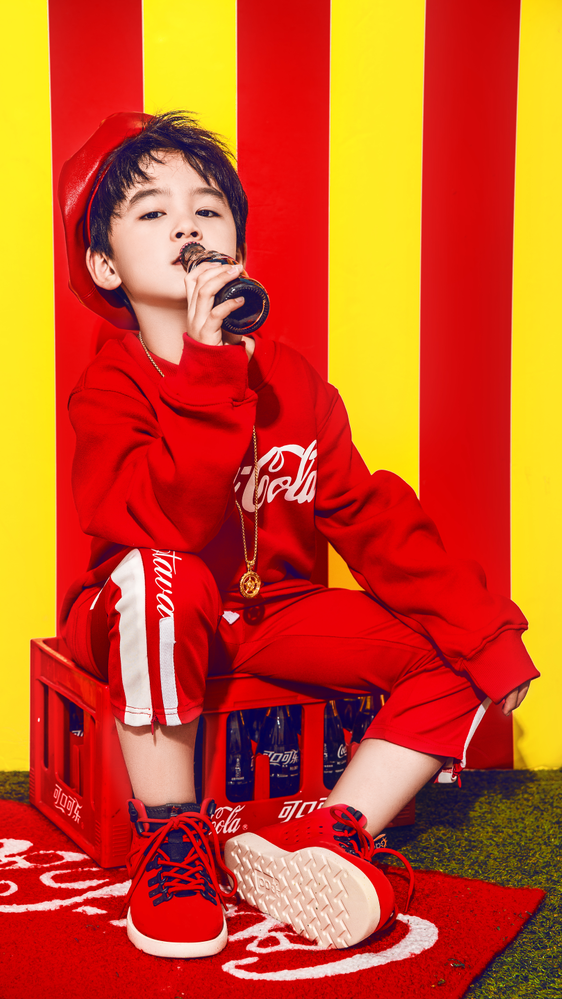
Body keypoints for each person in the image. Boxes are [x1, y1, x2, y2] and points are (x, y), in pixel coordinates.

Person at [57, 110, 538, 959]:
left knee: (455, 651)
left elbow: (367, 513)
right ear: (105, 264)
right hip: (140, 613)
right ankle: (169, 839)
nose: (186, 227)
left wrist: (483, 630)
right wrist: (208, 365)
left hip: (268, 612)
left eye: (207, 210)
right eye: (153, 211)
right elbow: (169, 523)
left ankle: (330, 829)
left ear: (238, 245)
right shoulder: (111, 386)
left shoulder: (291, 380)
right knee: (165, 574)